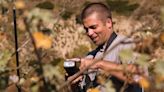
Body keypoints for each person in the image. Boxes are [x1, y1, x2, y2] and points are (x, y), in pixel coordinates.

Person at [67, 2, 145, 92]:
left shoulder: (126, 45)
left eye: (93, 27)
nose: (89, 33)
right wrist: (73, 84)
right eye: (86, 29)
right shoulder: (91, 56)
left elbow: (137, 78)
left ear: (108, 23)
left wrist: (98, 64)